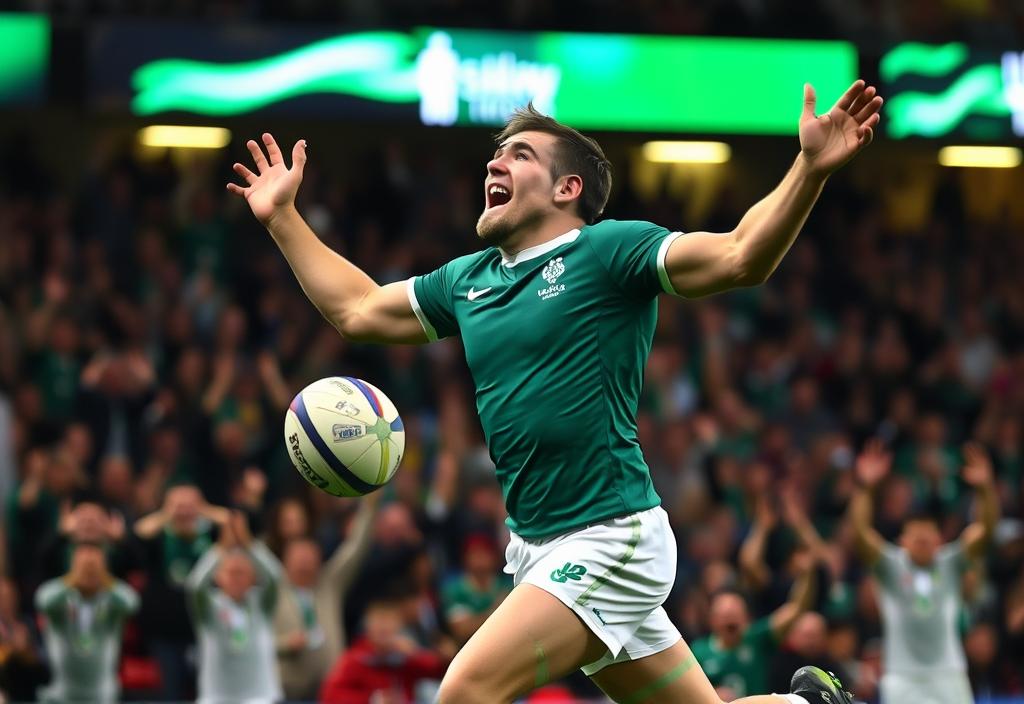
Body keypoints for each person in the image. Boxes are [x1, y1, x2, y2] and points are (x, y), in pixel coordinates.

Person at [229, 76, 883, 704]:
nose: (495, 166)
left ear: (568, 187)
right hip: (536, 548)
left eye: (519, 155)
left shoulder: (606, 252)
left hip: (610, 537)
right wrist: (282, 217)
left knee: (464, 691)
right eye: (494, 156)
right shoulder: (468, 281)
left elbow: (742, 255)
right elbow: (361, 310)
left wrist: (810, 170)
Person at [849, 439, 999, 704]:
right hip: (901, 675)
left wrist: (986, 489)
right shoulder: (890, 563)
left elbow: (985, 531)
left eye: (928, 536)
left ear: (939, 539)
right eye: (916, 537)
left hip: (949, 672)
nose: (923, 541)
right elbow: (860, 533)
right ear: (903, 541)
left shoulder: (950, 561)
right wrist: (865, 487)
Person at [275, 492, 381, 700]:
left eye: (309, 555)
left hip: (332, 692)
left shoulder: (329, 584)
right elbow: (257, 641)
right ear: (285, 560)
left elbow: (355, 548)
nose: (304, 561)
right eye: (298, 555)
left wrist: (370, 506)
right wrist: (286, 644)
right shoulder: (274, 589)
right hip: (288, 693)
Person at [186, 509, 285, 704]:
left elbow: (275, 578)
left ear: (252, 577)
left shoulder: (261, 603)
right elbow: (195, 586)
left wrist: (248, 544)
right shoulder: (208, 607)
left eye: (241, 572)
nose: (235, 578)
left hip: (260, 696)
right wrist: (220, 548)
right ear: (218, 577)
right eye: (230, 572)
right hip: (216, 698)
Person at [690, 558, 816, 699]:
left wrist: (808, 575)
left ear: (746, 618)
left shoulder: (756, 639)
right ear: (711, 619)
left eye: (735, 615)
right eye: (724, 615)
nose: (730, 621)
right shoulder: (699, 651)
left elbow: (795, 609)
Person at [34, 543, 140, 703]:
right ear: (72, 565)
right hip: (62, 695)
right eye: (82, 563)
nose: (89, 570)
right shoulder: (61, 596)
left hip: (102, 695)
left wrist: (105, 578)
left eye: (95, 564)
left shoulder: (111, 598)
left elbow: (132, 603)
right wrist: (73, 578)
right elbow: (43, 601)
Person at [318, 597, 447, 704]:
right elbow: (330, 695)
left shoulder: (404, 656)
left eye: (389, 620)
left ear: (399, 625)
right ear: (367, 626)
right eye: (379, 620)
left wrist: (414, 653)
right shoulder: (355, 658)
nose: (384, 628)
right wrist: (371, 699)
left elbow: (437, 670)